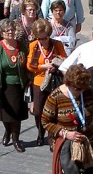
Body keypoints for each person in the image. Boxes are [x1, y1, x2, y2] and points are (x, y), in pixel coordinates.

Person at [0, 18, 31, 153]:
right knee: (7, 115)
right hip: (5, 86)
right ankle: (8, 131)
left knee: (17, 115)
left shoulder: (20, 45)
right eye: (7, 30)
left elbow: (28, 62)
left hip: (20, 84)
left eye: (12, 29)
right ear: (1, 33)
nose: (11, 32)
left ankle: (16, 139)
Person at [26, 18, 67, 146]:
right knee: (38, 111)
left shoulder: (57, 44)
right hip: (39, 81)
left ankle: (51, 137)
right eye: (40, 38)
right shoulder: (33, 46)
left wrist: (56, 64)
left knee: (53, 110)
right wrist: (42, 67)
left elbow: (65, 59)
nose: (43, 41)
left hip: (54, 80)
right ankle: (40, 131)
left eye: (45, 38)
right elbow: (29, 65)